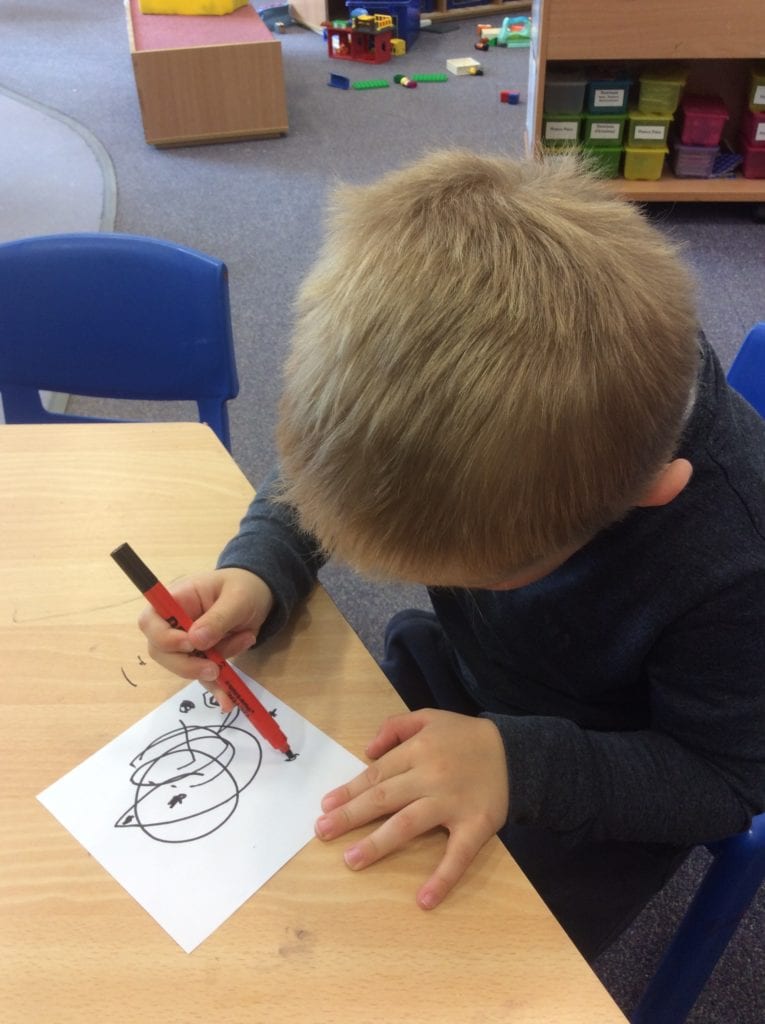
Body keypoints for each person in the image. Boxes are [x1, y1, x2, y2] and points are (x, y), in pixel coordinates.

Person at [139, 150, 765, 961]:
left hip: (612, 772)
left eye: (478, 574)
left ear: (646, 494)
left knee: (453, 960)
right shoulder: (474, 393)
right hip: (469, 679)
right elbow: (336, 470)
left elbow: (723, 778)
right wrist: (260, 565)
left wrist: (517, 764)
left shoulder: (736, 563)